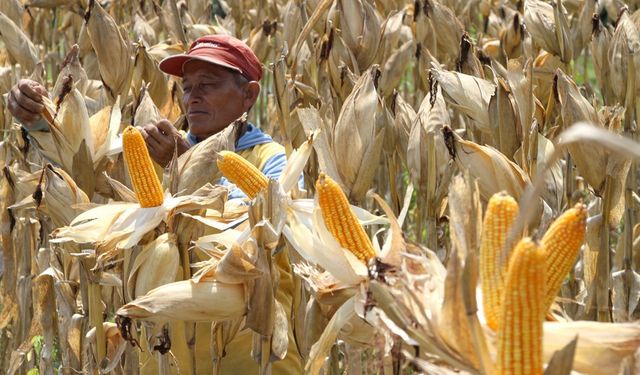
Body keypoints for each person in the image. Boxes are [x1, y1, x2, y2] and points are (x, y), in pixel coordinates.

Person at [8, 35, 303, 373]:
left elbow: (251, 229)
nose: (193, 97)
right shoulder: (152, 154)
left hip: (250, 358)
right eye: (188, 88)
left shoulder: (273, 159)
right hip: (167, 359)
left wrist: (184, 162)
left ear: (248, 94)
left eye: (208, 84)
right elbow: (83, 176)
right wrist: (39, 120)